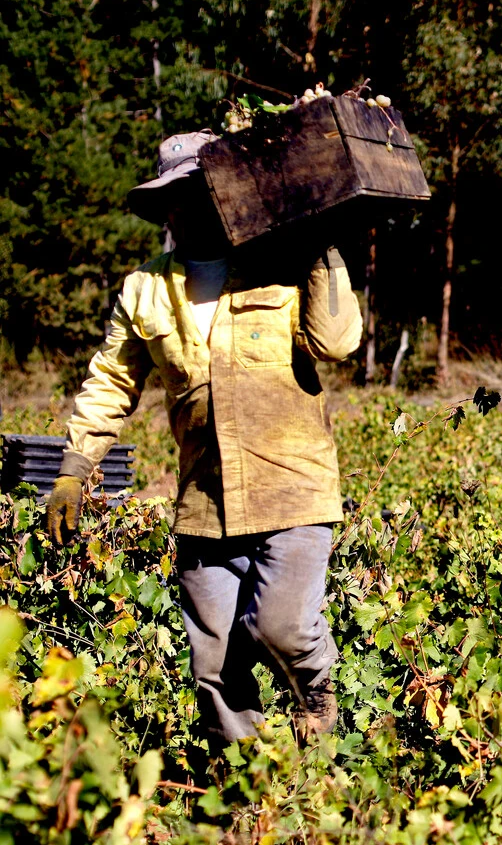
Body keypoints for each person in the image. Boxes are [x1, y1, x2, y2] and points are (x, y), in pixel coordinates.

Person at [44, 131, 364, 749]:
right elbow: (111, 381)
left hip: (291, 486)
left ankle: (318, 696)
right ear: (164, 207)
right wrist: (75, 465)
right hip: (204, 502)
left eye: (204, 190)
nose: (191, 206)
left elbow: (338, 341)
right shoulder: (144, 289)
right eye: (177, 196)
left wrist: (319, 239)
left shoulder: (284, 261)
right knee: (213, 668)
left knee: (282, 628)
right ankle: (246, 785)